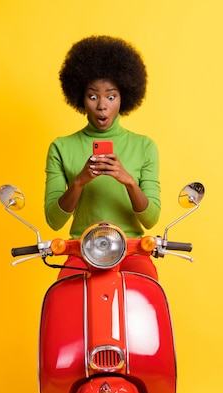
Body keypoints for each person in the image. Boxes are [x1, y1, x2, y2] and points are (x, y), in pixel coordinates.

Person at [44, 35, 161, 280]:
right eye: (93, 96)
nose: (102, 106)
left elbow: (151, 219)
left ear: (124, 98)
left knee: (148, 290)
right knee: (63, 298)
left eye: (111, 96)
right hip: (80, 251)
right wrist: (79, 181)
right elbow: (54, 221)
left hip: (132, 251)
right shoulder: (61, 147)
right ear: (80, 98)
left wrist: (128, 181)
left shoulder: (144, 146)